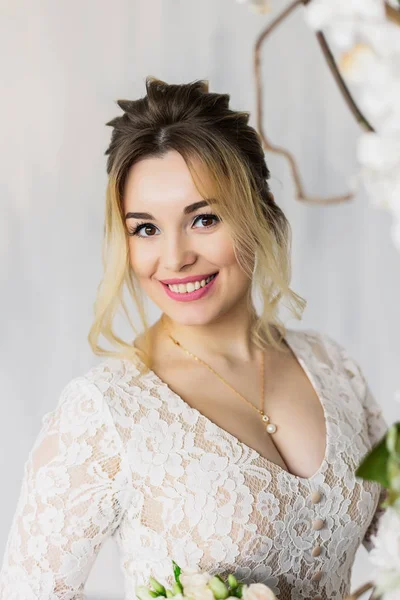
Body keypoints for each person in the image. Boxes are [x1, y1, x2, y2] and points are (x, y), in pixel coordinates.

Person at [0, 77, 388, 600]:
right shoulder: (105, 414)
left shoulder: (331, 365)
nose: (176, 257)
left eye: (204, 219)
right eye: (146, 228)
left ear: (261, 211)